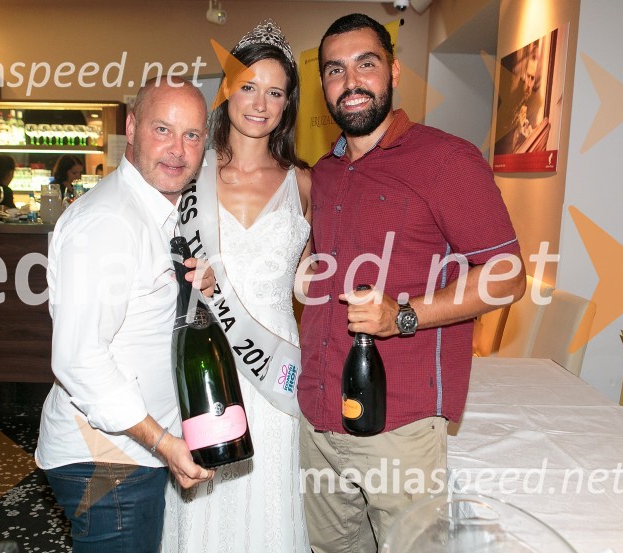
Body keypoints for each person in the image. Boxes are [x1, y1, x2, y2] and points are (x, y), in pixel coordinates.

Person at [298, 13, 527, 553]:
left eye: (366, 64)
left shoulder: (446, 159)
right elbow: (315, 272)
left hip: (400, 425)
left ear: (394, 72)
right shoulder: (324, 172)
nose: (350, 81)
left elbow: (508, 275)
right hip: (318, 417)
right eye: (334, 70)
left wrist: (402, 315)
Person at [35, 78, 216, 553]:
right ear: (132, 128)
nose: (177, 150)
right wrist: (164, 443)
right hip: (109, 458)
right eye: (163, 129)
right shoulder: (110, 220)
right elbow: (79, 359)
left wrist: (194, 289)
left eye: (192, 135)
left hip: (127, 451)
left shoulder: (152, 209)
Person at [163, 19, 312, 553]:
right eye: (248, 86)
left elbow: (311, 282)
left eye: (275, 92)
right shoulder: (189, 176)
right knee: (209, 494)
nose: (260, 103)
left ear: (288, 104)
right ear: (227, 90)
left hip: (274, 365)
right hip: (207, 354)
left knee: (272, 495)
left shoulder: (304, 182)